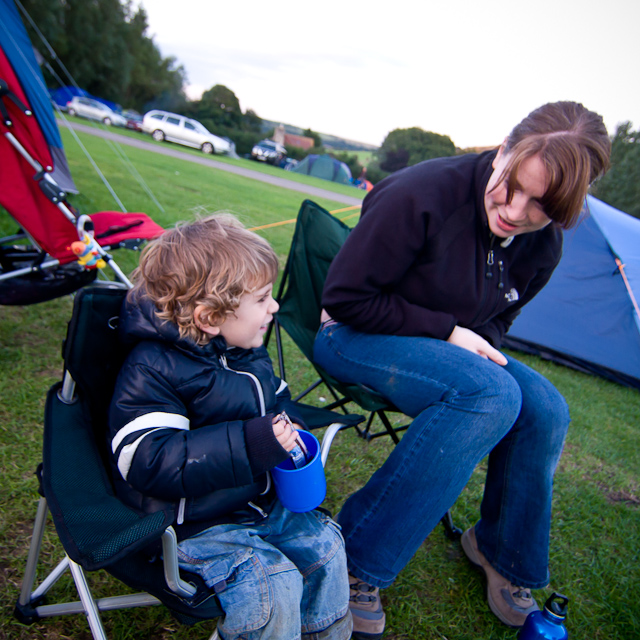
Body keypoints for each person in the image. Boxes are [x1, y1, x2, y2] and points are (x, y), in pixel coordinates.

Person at [313, 101, 611, 638]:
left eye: (539, 205)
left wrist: (472, 344)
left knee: (545, 408)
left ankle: (501, 550)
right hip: (352, 335)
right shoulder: (420, 194)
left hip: (434, 352)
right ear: (503, 151)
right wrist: (450, 333)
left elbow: (498, 321)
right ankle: (355, 559)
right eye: (512, 185)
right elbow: (346, 298)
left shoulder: (546, 246)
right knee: (490, 395)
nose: (516, 211)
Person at [109, 214, 351, 640]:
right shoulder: (153, 368)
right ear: (209, 317)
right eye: (262, 299)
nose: (274, 307)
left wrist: (286, 428)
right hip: (188, 526)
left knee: (327, 550)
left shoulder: (244, 352)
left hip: (253, 504)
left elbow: (273, 398)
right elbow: (147, 459)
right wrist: (250, 444)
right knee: (273, 584)